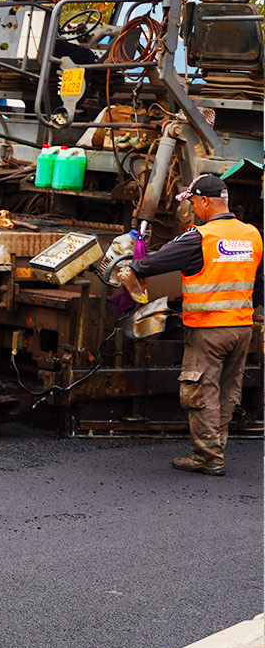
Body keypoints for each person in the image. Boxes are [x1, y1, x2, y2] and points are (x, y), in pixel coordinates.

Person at [120, 174, 262, 476]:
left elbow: (156, 262)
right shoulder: (252, 235)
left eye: (194, 203)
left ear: (205, 201)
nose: (193, 210)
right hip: (242, 328)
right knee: (226, 392)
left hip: (209, 330)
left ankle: (208, 458)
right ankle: (216, 447)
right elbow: (258, 283)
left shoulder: (201, 236)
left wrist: (133, 268)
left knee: (201, 392)